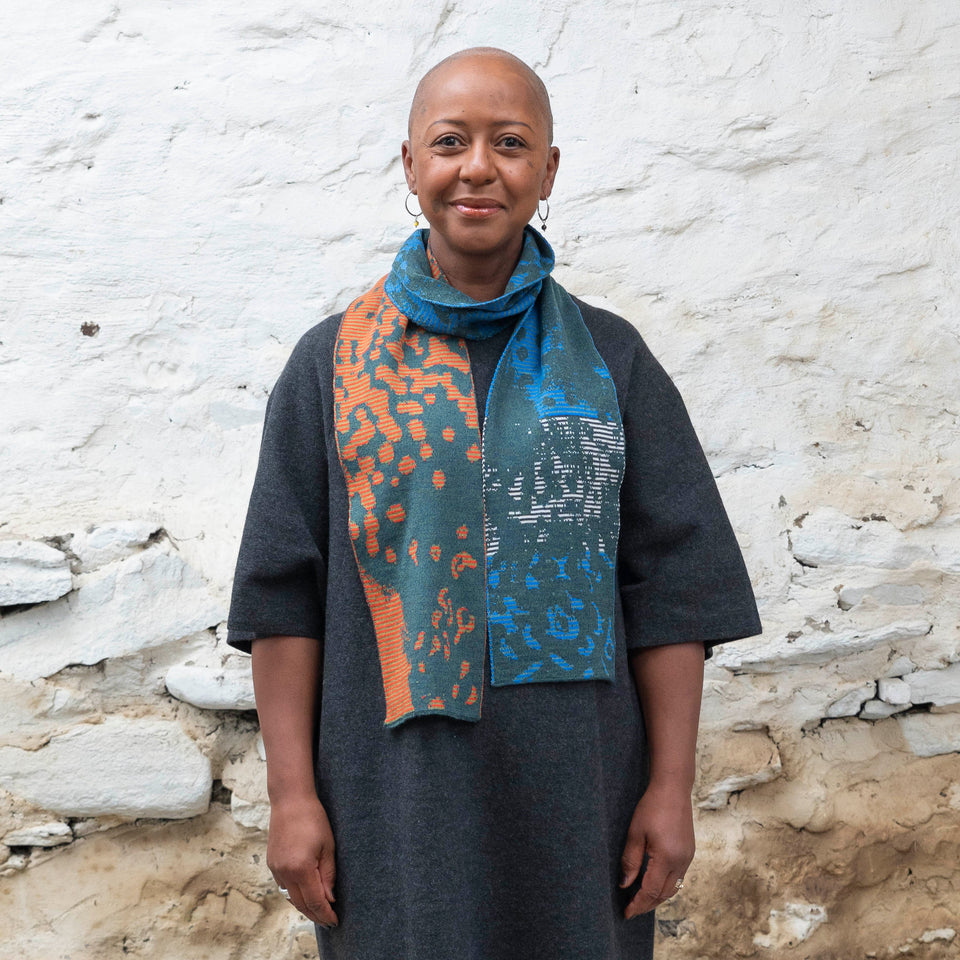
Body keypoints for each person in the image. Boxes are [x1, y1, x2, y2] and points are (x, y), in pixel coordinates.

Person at [227, 47, 762, 960]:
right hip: (390, 798)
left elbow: (673, 591)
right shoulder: (329, 366)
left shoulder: (612, 361)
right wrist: (291, 797)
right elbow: (283, 597)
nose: (478, 166)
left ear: (547, 171)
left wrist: (671, 789)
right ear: (410, 165)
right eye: (450, 142)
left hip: (582, 793)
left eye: (510, 143)